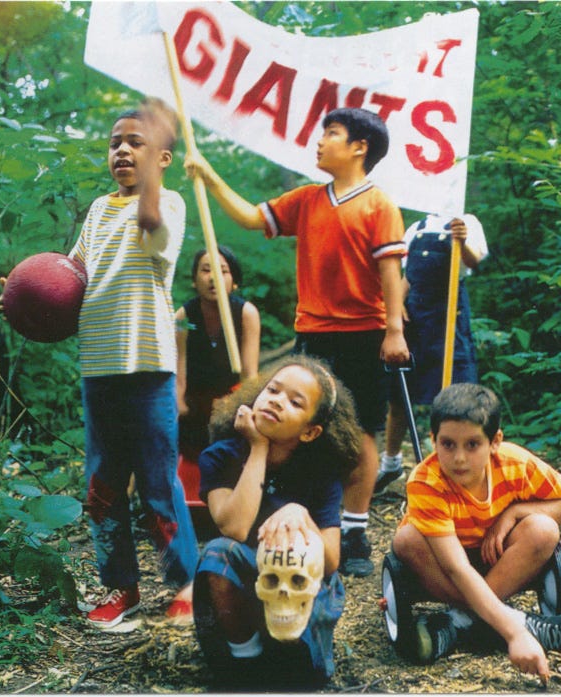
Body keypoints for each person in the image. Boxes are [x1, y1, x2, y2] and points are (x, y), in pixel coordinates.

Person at [0, 100, 200, 629]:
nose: (123, 150)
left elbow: (152, 223)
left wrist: (154, 171)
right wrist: (24, 299)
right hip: (100, 367)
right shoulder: (98, 210)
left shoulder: (169, 204)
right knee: (103, 486)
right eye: (115, 143)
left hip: (148, 365)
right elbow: (70, 278)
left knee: (159, 481)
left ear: (163, 159)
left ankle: (189, 583)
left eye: (137, 142)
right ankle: (123, 591)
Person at [186, 107, 409, 577]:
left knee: (362, 431)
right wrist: (209, 175)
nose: (320, 141)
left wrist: (394, 330)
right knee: (309, 426)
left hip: (365, 331)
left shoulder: (380, 205)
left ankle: (353, 529)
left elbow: (391, 271)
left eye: (331, 133)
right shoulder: (307, 199)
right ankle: (305, 510)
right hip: (314, 332)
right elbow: (251, 217)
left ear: (359, 147)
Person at [391, 382, 561, 679]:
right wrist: (515, 632)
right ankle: (518, 623)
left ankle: (460, 623)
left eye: (472, 444)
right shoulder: (426, 481)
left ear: (495, 441)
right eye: (448, 444)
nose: (459, 458)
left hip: (495, 557)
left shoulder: (514, 462)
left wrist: (516, 512)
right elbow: (456, 567)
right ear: (433, 440)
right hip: (443, 563)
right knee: (407, 539)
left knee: (543, 529)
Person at [192, 355, 362, 690]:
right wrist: (258, 449)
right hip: (245, 581)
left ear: (310, 432)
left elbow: (330, 562)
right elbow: (235, 528)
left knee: (301, 677)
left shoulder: (320, 470)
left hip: (297, 587)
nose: (276, 401)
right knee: (217, 553)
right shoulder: (221, 456)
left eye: (294, 402)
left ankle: (289, 656)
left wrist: (301, 513)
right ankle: (245, 662)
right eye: (272, 390)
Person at [377, 214, 489, 493]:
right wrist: (396, 305)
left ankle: (455, 466)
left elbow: (474, 262)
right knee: (400, 393)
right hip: (414, 320)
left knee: (456, 397)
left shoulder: (467, 222)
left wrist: (461, 241)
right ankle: (391, 462)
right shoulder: (417, 227)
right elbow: (408, 276)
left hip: (449, 319)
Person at [175, 245, 261, 462]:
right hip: (193, 408)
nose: (213, 277)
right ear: (194, 280)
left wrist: (240, 409)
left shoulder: (246, 314)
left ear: (235, 281)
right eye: (206, 270)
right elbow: (179, 374)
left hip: (230, 407)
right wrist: (178, 406)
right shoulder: (184, 316)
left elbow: (249, 376)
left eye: (222, 271)